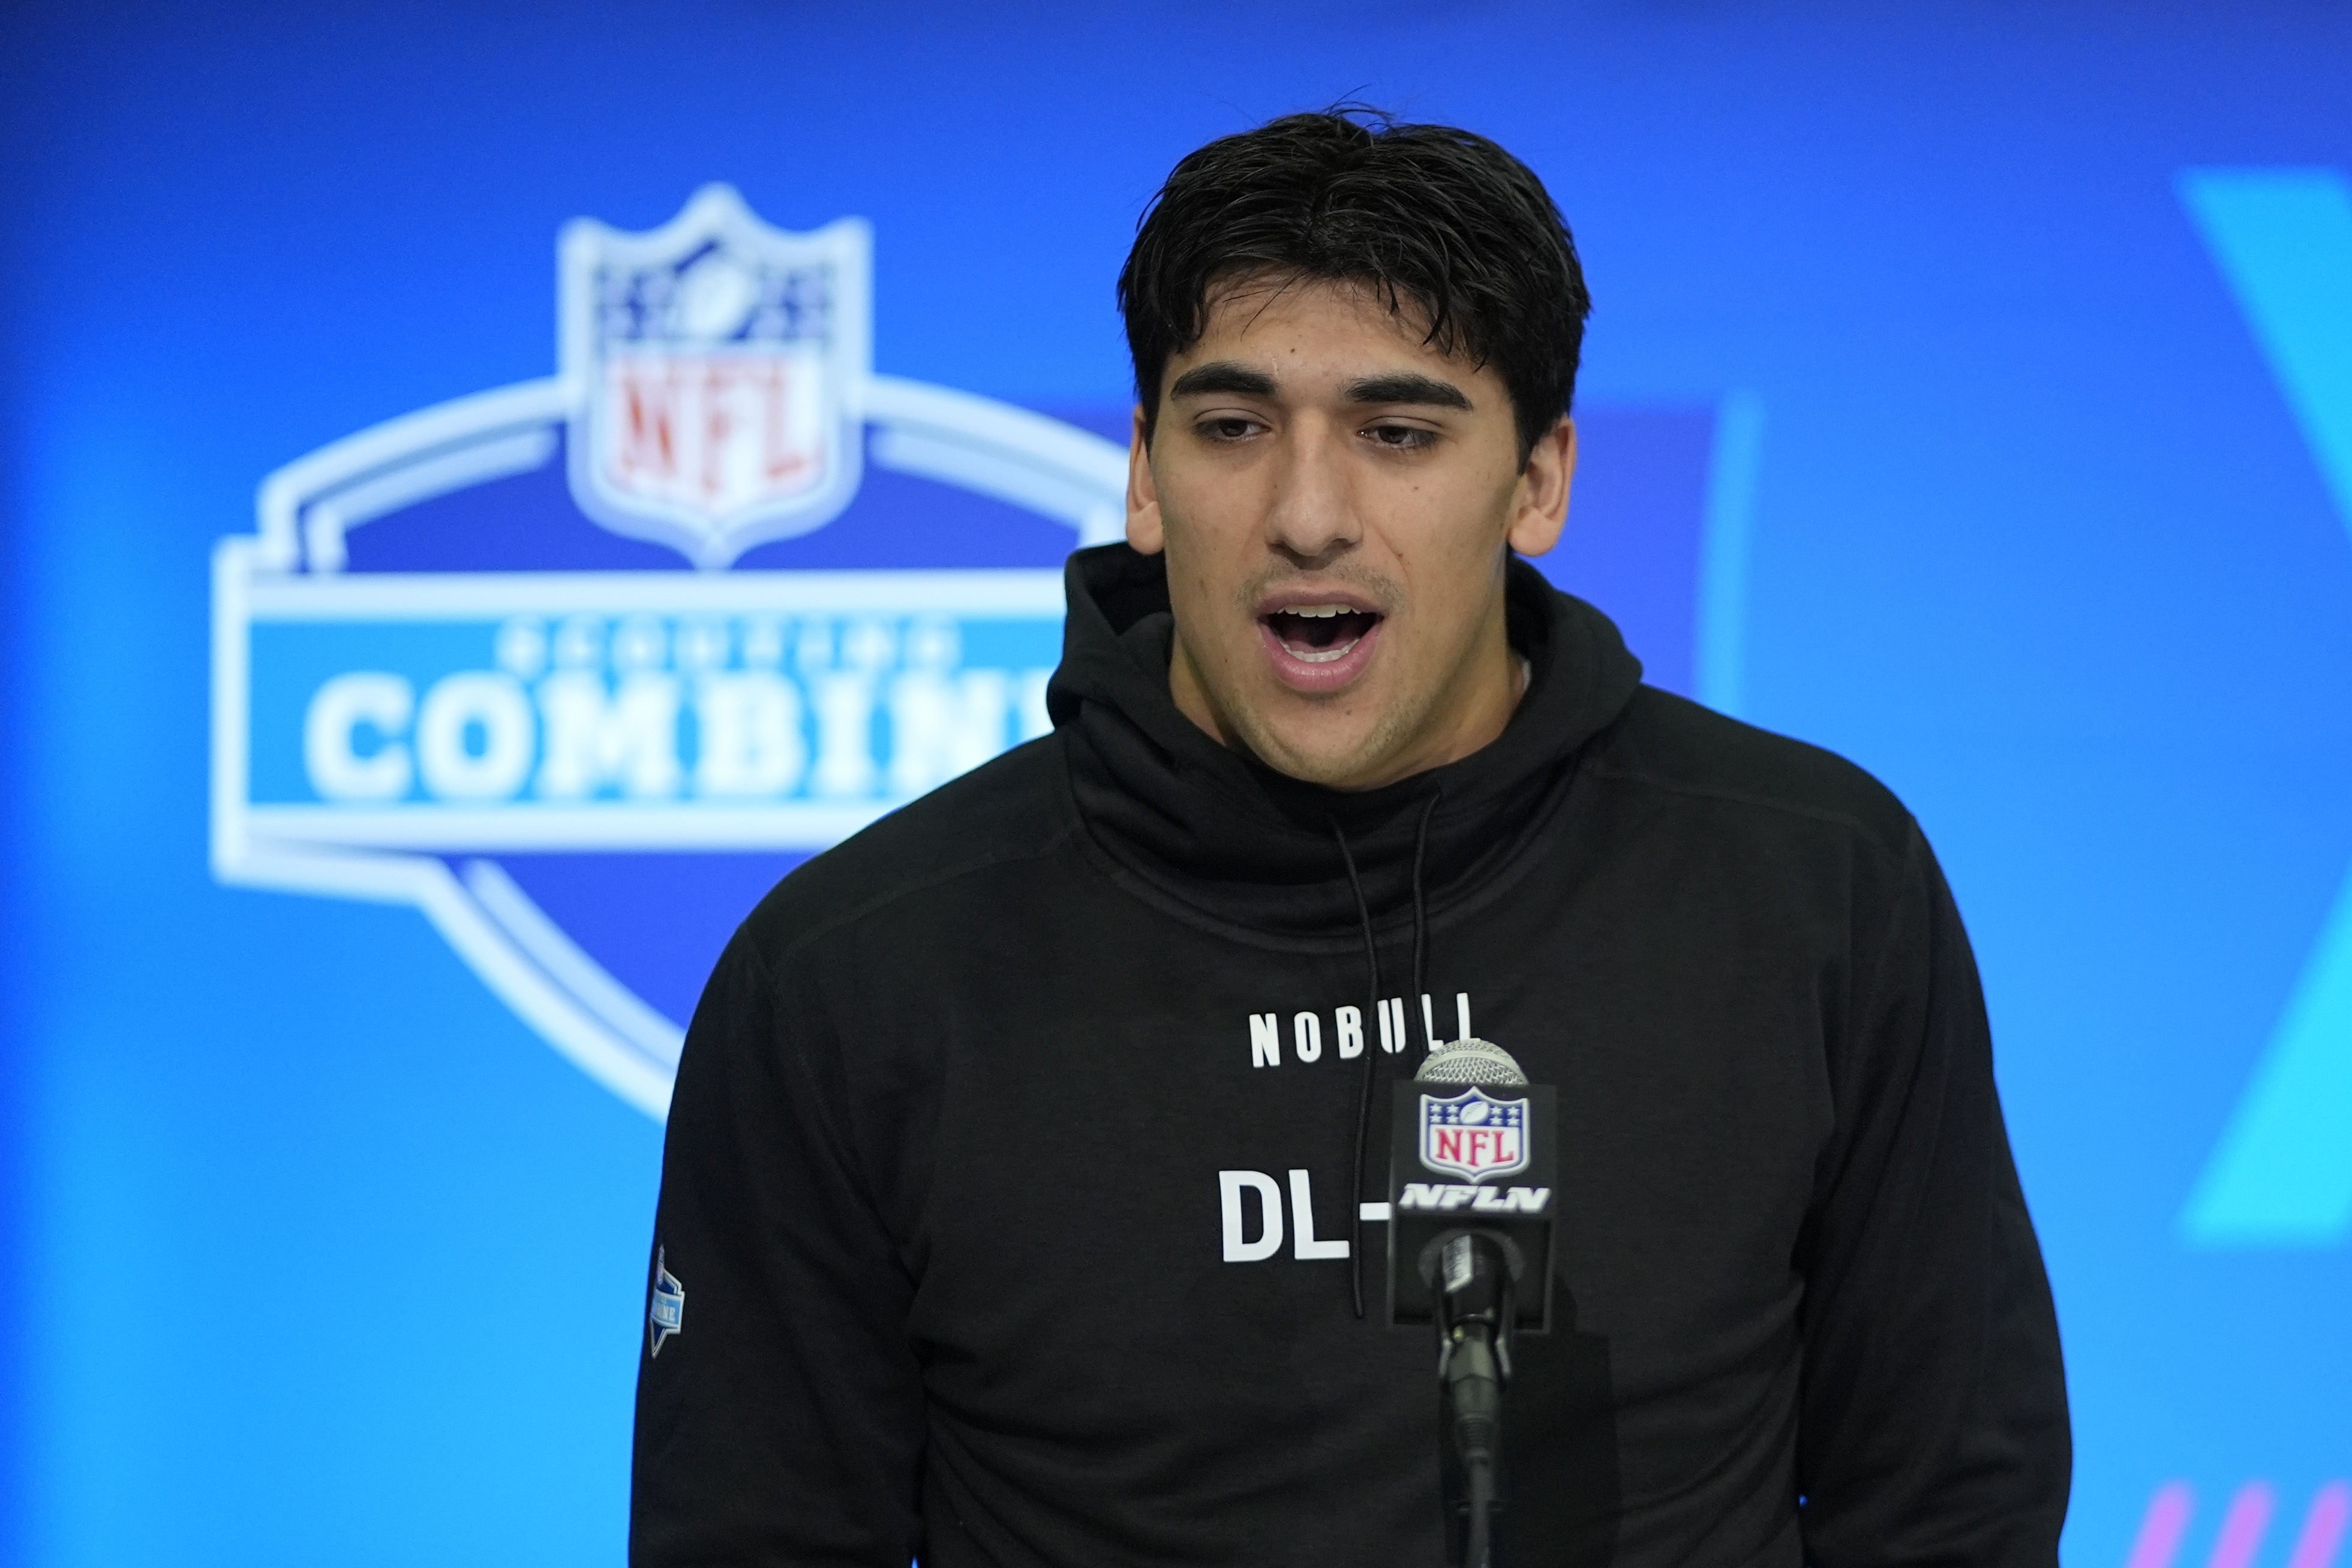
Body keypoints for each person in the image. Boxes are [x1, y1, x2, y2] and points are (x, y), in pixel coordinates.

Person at [629, 110, 2071, 1567]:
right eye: (1232, 425)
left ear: (1539, 480)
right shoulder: (852, 975)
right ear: (1142, 471)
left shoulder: (1814, 886)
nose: (1307, 514)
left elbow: (1950, 1496)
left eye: (1396, 432)